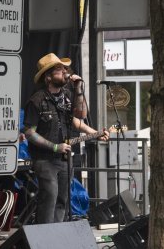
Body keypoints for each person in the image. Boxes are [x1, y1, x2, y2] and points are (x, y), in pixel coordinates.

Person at [23, 53, 109, 224]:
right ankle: (44, 239)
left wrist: (95, 132)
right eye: (58, 70)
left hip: (65, 158)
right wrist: (55, 147)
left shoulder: (68, 95)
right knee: (50, 197)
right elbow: (29, 133)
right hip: (44, 159)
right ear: (48, 77)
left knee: (62, 199)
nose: (64, 72)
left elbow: (80, 117)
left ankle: (57, 237)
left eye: (64, 69)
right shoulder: (37, 100)